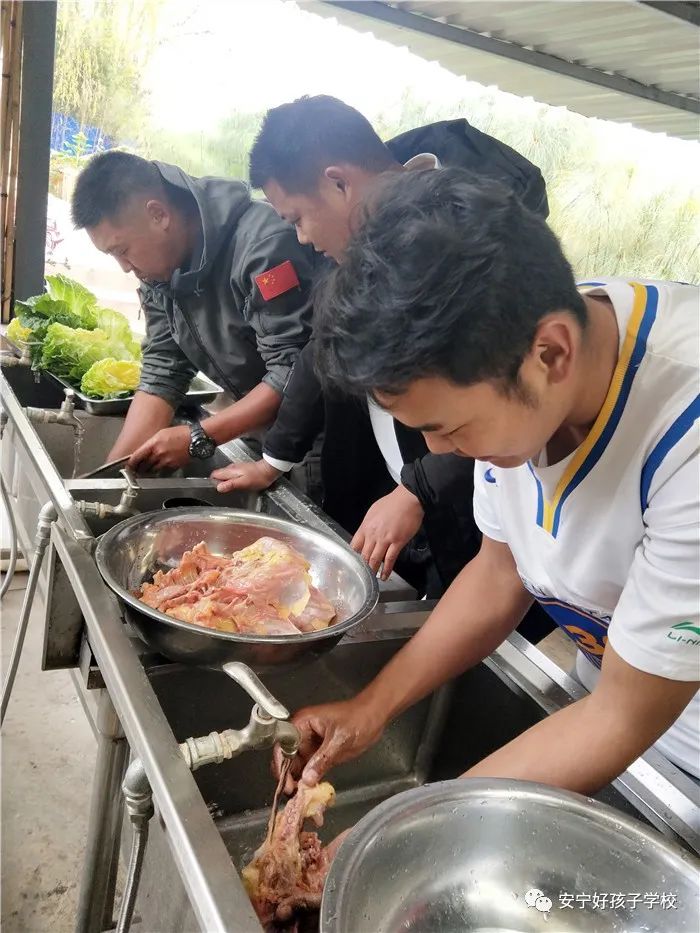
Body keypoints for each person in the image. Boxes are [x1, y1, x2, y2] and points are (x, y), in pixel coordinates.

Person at [274, 168, 699, 794]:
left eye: (450, 428)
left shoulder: (685, 437)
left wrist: (410, 827)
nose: (439, 451)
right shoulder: (516, 337)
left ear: (552, 354)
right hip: (606, 706)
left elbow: (620, 718)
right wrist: (368, 709)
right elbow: (500, 573)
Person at [211, 96, 550, 604]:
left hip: (474, 505)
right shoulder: (356, 241)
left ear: (338, 183)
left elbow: (505, 400)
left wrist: (419, 488)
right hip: (402, 488)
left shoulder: (477, 243)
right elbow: (319, 350)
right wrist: (274, 459)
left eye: (298, 218)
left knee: (474, 604)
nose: (301, 238)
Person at [71, 151, 318, 470]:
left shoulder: (264, 248)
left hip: (317, 442)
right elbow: (164, 367)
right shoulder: (159, 270)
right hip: (261, 432)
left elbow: (293, 370)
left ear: (158, 214)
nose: (124, 267)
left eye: (123, 250)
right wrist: (113, 474)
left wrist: (200, 436)